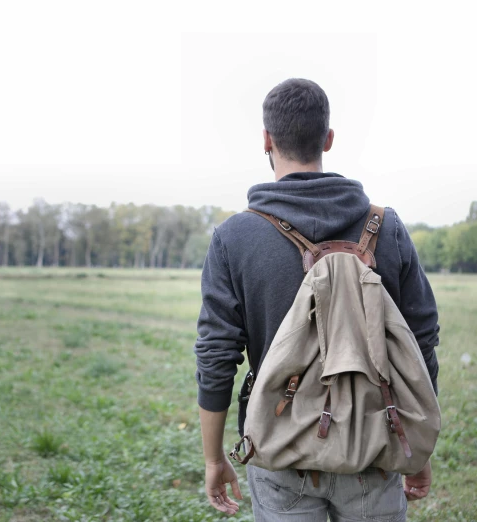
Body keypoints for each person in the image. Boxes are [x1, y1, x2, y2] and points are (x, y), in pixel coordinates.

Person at [194, 78, 440, 520]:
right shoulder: (388, 229)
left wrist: (215, 460)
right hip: (373, 444)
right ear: (328, 139)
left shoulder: (234, 238)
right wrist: (417, 451)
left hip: (279, 448)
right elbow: (420, 348)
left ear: (266, 140)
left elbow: (216, 357)